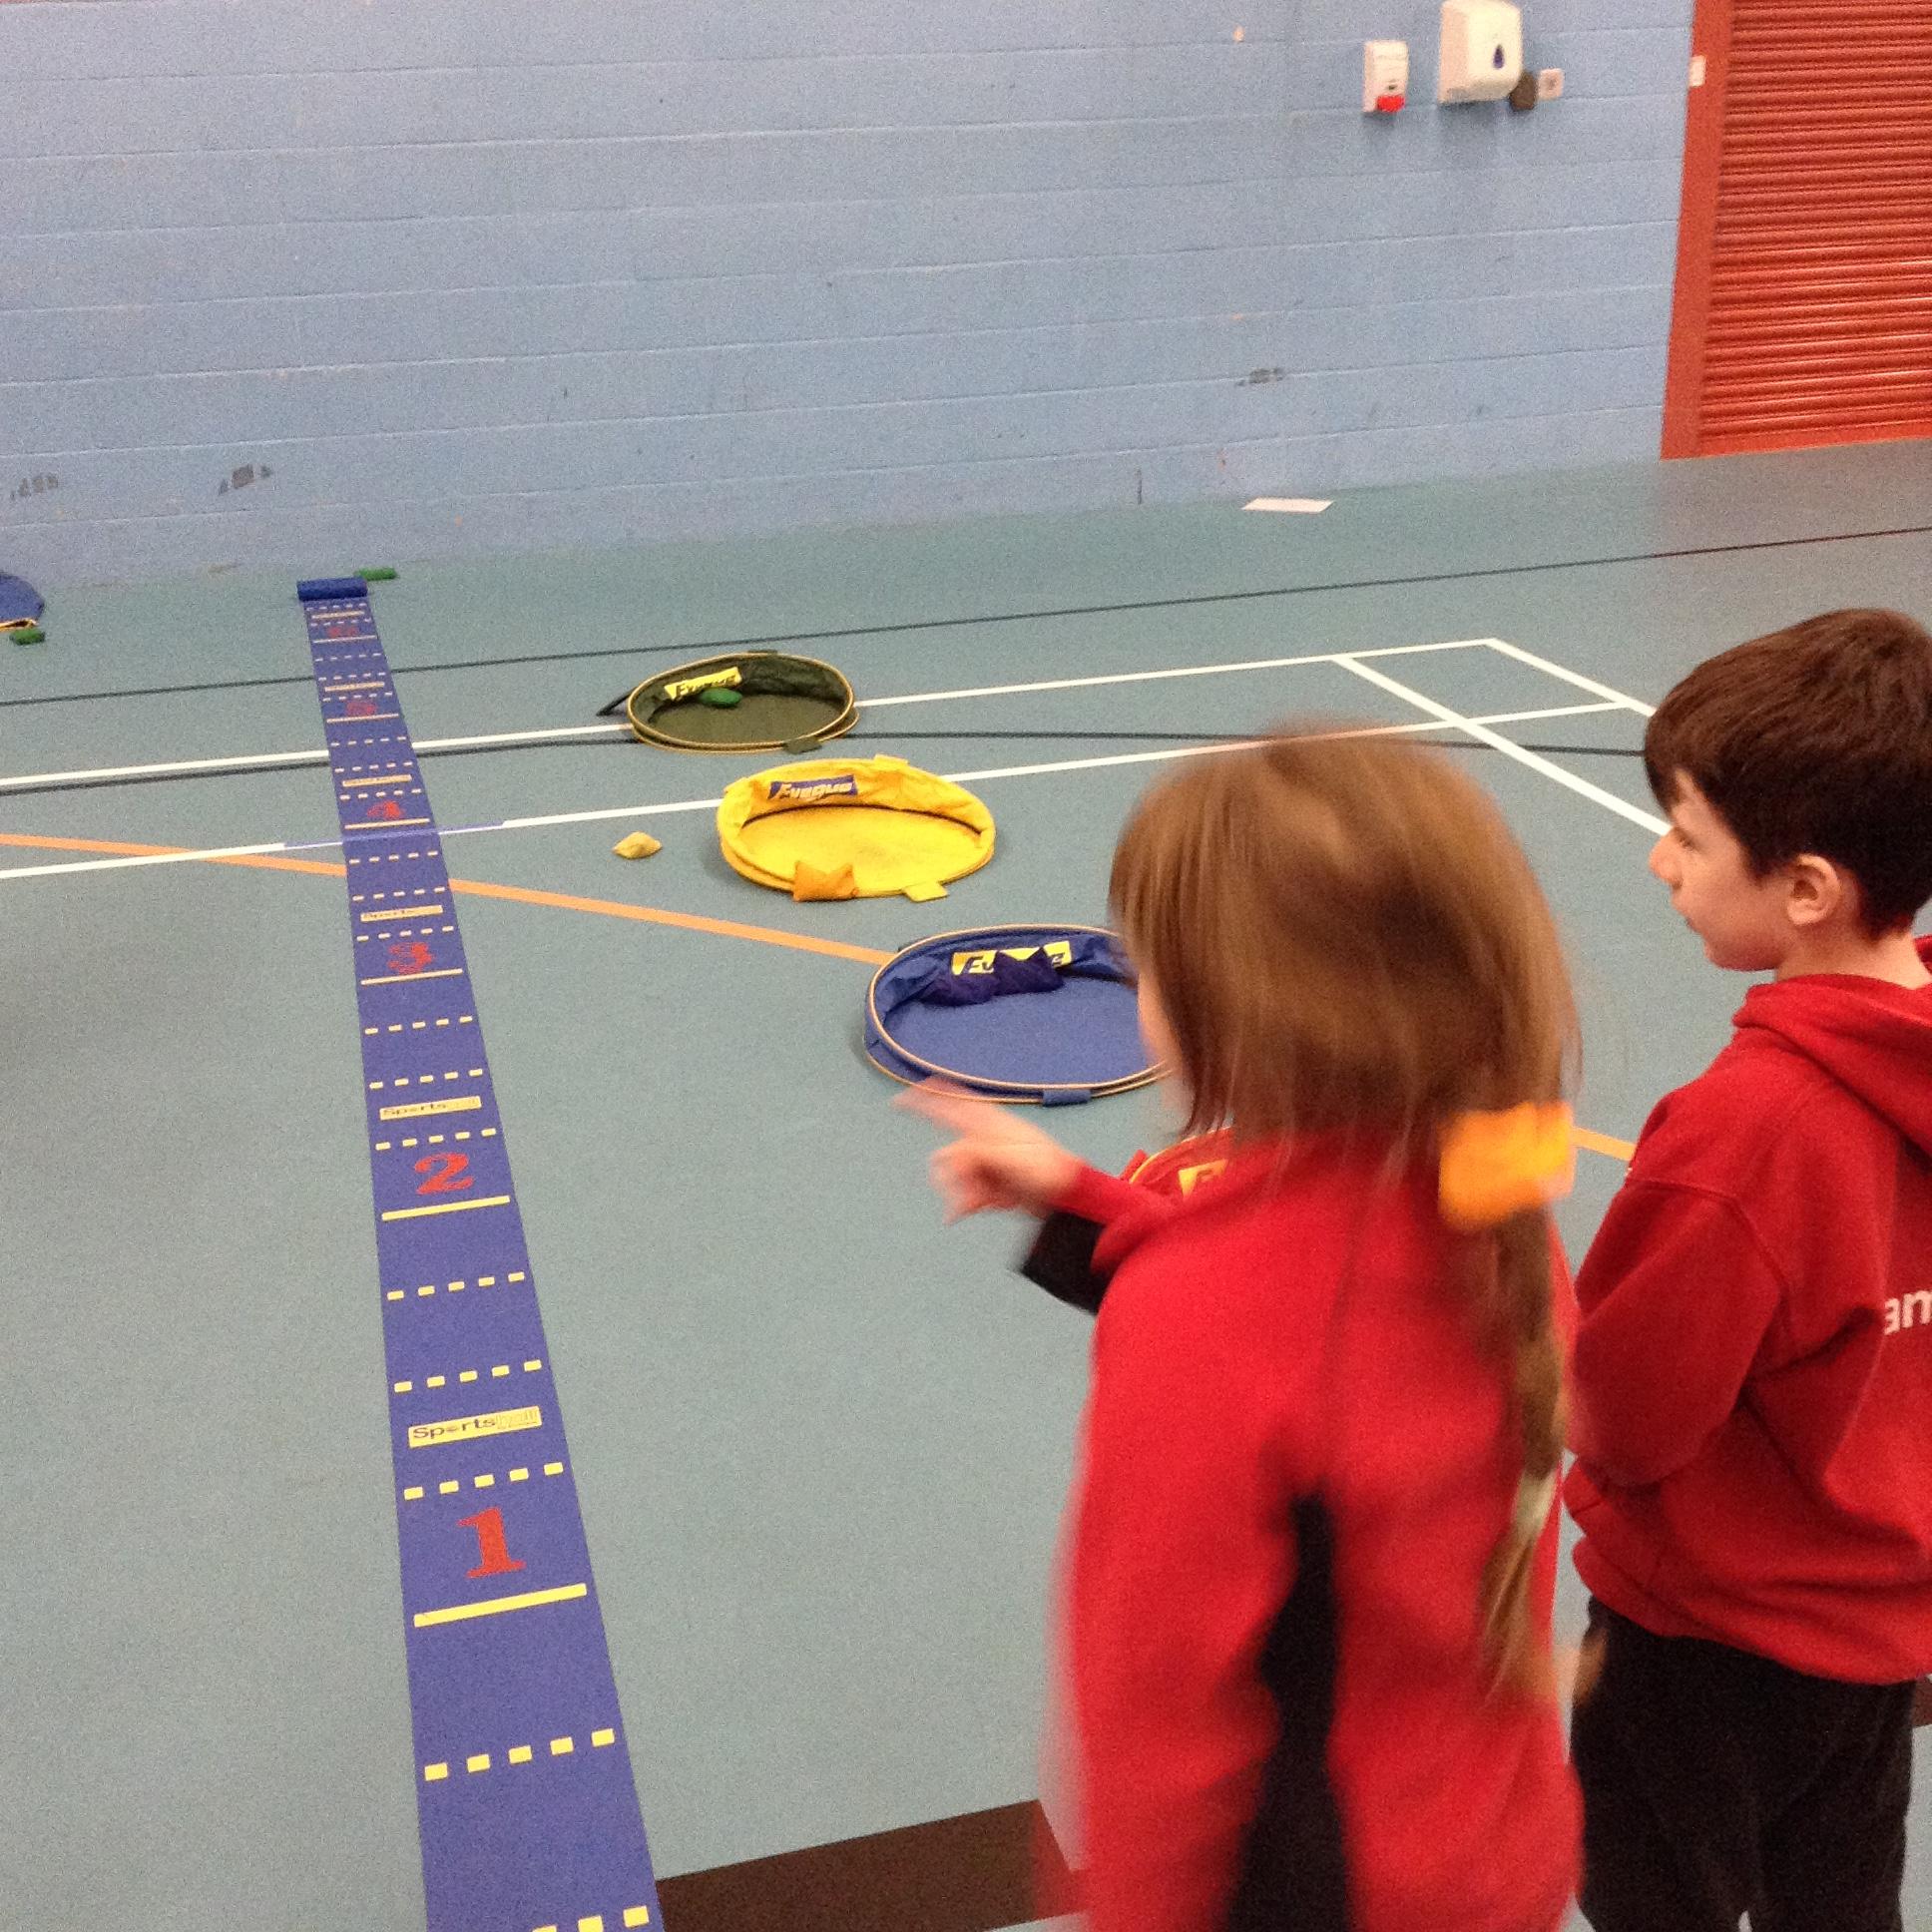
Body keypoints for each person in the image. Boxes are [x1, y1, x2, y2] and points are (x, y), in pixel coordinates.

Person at [905, 730, 1582, 1932]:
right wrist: (1089, 1205)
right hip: (1494, 1854)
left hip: (1319, 1892)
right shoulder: (1498, 1207)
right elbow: (1323, 1320)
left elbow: (1156, 1715)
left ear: (1231, 1010)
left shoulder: (1201, 1320)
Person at [1564, 608, 1932, 1932]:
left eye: (1687, 834)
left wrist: (1505, 1285)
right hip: (1876, 1636)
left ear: (1808, 889)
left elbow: (1622, 1418)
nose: (1658, 859)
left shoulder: (1742, 1137)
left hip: (1699, 1649)